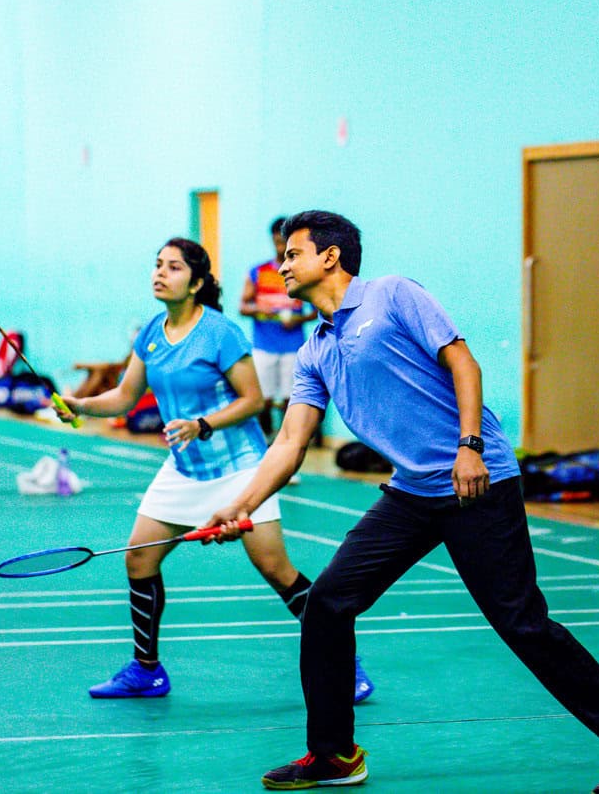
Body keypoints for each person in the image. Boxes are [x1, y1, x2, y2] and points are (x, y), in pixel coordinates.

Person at [207, 211, 599, 793]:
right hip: (412, 491)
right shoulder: (315, 351)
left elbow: (463, 361)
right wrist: (241, 505)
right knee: (327, 604)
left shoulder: (392, 296)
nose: (282, 265)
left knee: (521, 623)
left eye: (292, 254)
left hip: (475, 481)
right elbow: (289, 442)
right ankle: (333, 754)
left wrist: (470, 446)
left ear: (330, 257)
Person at [56, 237, 372, 704]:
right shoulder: (151, 332)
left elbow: (253, 400)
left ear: (197, 282)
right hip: (184, 468)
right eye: (157, 264)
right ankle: (146, 671)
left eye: (174, 267)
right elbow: (125, 397)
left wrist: (202, 423)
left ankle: (346, 666)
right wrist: (81, 403)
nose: (160, 273)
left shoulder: (220, 333)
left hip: (239, 467)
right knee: (138, 558)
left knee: (276, 569)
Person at [240, 217, 317, 436]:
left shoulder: (301, 272)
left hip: (292, 345)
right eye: (277, 242)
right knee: (262, 396)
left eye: (284, 242)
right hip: (263, 344)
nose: (280, 247)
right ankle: (264, 437)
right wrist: (261, 310)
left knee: (290, 398)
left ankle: (287, 438)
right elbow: (243, 306)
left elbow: (314, 310)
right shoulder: (258, 271)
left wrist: (297, 320)